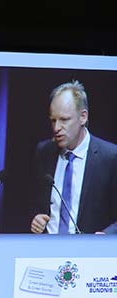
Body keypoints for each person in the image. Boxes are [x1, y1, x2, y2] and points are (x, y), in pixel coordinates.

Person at [28, 81, 117, 235]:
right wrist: (36, 218)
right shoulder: (44, 152)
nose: (56, 128)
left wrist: (106, 236)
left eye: (64, 119)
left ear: (83, 117)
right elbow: (34, 203)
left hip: (90, 248)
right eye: (53, 120)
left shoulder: (110, 158)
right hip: (47, 246)